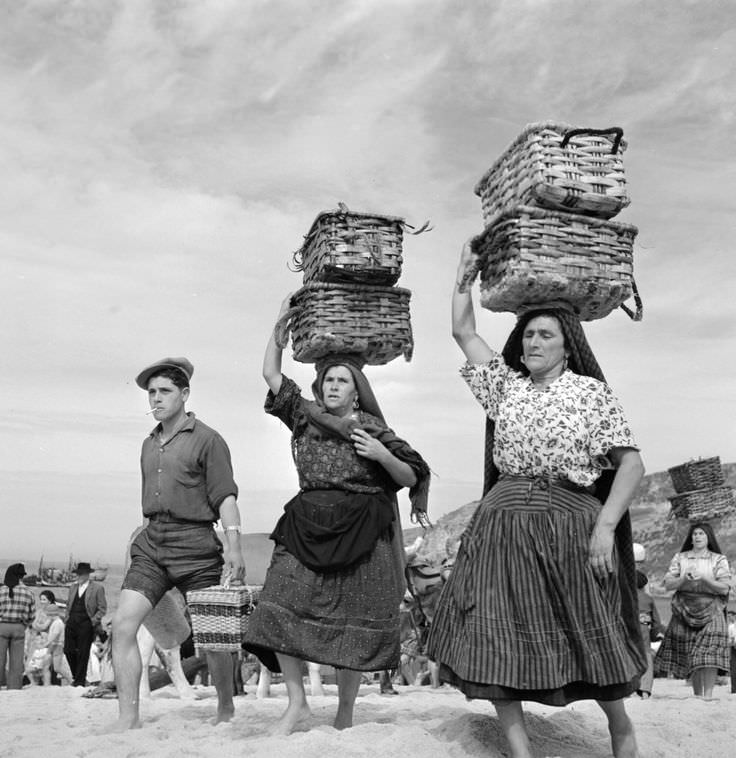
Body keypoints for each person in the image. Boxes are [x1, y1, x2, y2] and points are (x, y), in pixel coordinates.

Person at [427, 240, 648, 758]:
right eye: (527, 334)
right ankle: (520, 750)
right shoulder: (507, 389)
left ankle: (620, 727)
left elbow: (631, 465)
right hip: (502, 525)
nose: (532, 342)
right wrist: (462, 276)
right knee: (494, 632)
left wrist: (605, 528)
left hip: (570, 522)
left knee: (588, 629)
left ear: (567, 344)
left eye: (545, 334)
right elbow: (463, 332)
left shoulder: (590, 394)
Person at [243, 296, 431, 735]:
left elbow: (411, 474)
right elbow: (272, 374)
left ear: (356, 389)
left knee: (355, 624)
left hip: (363, 532)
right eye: (328, 379)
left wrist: (381, 454)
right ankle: (297, 703)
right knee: (276, 606)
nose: (333, 386)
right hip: (307, 524)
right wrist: (279, 325)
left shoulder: (372, 428)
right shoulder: (305, 417)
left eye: (342, 380)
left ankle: (346, 709)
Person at [109, 357, 246, 732]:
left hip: (197, 545)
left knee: (215, 636)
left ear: (184, 394)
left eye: (164, 391)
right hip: (152, 543)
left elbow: (225, 497)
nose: (156, 398)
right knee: (122, 627)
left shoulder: (208, 439)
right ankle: (127, 718)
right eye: (151, 392)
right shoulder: (147, 443)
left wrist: (234, 548)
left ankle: (225, 707)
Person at [653, 522, 731, 699]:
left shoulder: (719, 559)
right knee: (693, 654)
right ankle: (697, 695)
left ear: (708, 537)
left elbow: (725, 588)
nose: (697, 537)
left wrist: (704, 578)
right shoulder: (680, 558)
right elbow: (668, 585)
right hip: (685, 608)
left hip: (713, 608)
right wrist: (683, 579)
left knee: (709, 653)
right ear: (691, 538)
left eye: (701, 534)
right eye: (695, 534)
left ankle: (708, 696)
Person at [64, 561, 107, 686]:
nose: (79, 576)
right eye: (78, 574)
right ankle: (77, 675)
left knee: (83, 652)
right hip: (71, 622)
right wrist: (67, 618)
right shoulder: (73, 587)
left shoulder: (97, 588)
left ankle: (79, 681)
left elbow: (102, 608)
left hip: (86, 623)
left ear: (88, 574)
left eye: (81, 574)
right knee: (68, 650)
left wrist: (93, 621)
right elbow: (69, 605)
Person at [0, 563, 35, 689]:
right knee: (17, 660)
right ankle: (14, 686)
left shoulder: (1, 591)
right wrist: (25, 624)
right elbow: (32, 615)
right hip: (19, 627)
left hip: (2, 626)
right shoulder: (28, 592)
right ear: (22, 576)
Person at [635, 569, 664, 698]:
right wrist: (655, 634)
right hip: (643, 630)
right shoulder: (648, 599)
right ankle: (645, 690)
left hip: (626, 630)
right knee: (646, 656)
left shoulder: (623, 596)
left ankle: (626, 690)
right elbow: (656, 621)